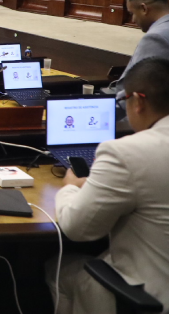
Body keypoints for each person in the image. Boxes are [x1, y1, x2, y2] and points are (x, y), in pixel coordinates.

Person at [46, 57, 169, 314]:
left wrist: (70, 186)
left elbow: (76, 229)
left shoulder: (125, 152)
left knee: (59, 267)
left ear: (139, 101)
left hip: (151, 297)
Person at [116, 0, 169, 100]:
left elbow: (138, 89)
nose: (133, 20)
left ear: (144, 9)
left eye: (132, 13)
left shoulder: (156, 38)